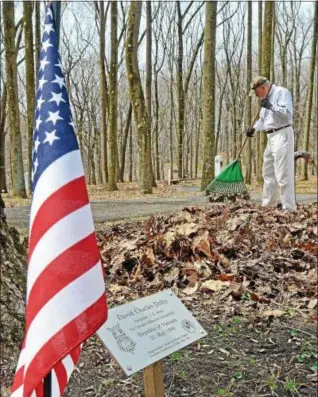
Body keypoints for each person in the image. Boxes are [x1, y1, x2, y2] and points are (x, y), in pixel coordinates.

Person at [246, 76, 296, 212]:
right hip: (271, 136)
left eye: (257, 92)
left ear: (263, 88)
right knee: (268, 172)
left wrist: (271, 106)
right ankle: (268, 205)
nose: (257, 95)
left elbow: (287, 115)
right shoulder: (264, 101)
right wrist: (254, 128)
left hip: (282, 133)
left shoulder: (281, 92)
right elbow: (264, 121)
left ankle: (289, 208)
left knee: (283, 173)